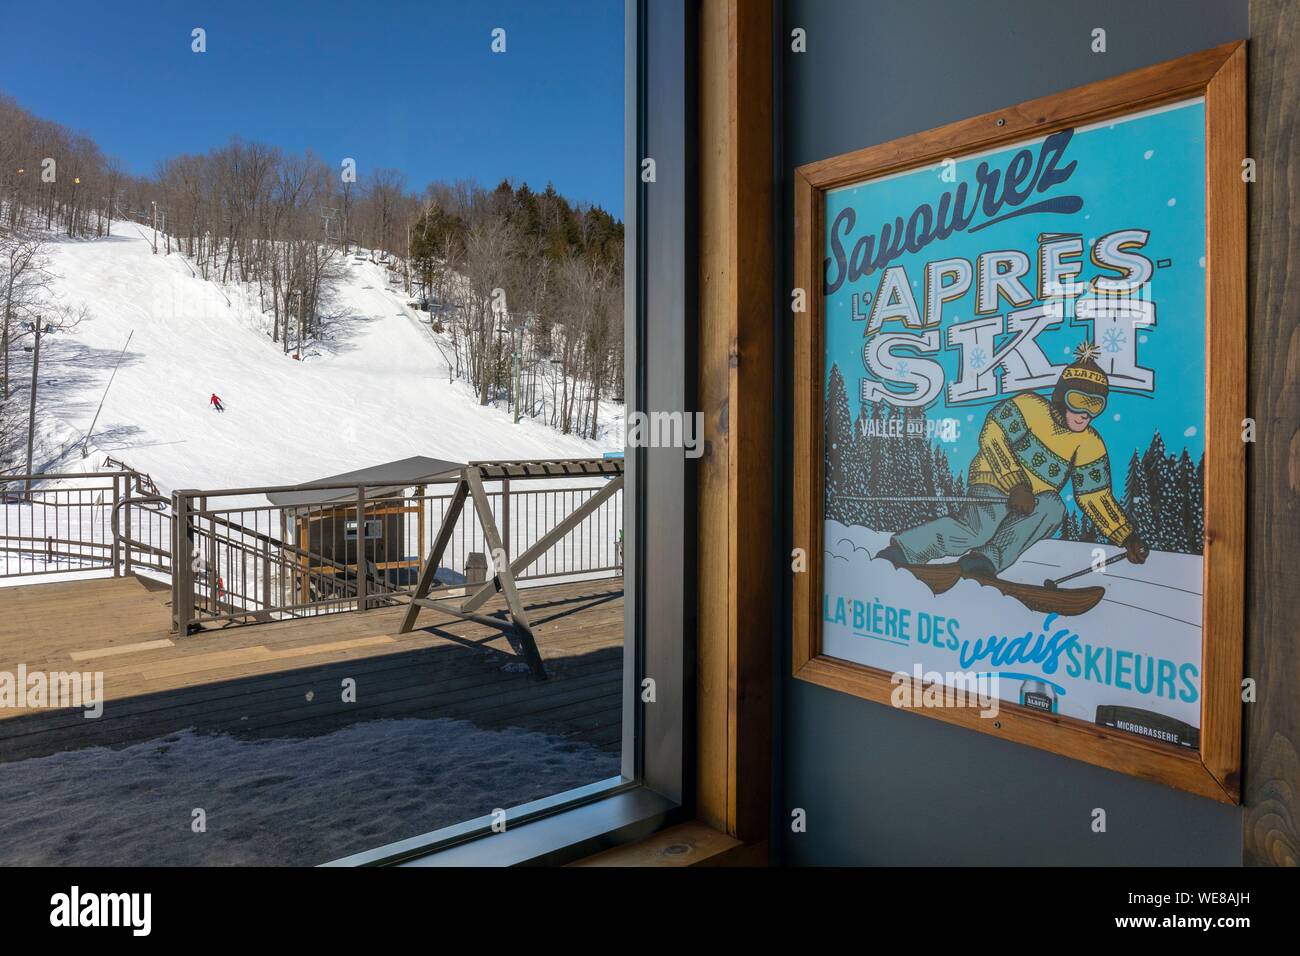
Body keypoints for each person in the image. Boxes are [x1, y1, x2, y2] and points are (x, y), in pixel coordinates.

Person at [877, 342, 1148, 578]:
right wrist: (1016, 483)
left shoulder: (1090, 443)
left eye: (1095, 405)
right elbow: (993, 435)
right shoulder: (1030, 407)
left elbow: (1095, 495)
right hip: (995, 482)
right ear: (1060, 397)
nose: (1084, 414)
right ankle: (905, 549)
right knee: (978, 529)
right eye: (1077, 401)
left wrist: (1125, 535)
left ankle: (983, 561)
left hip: (1033, 500)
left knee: (1053, 508)